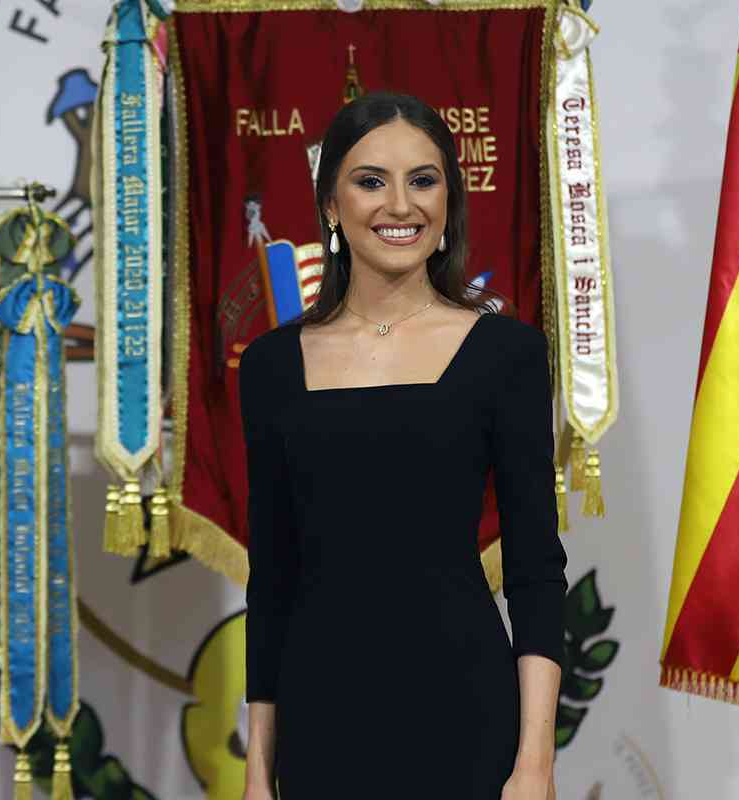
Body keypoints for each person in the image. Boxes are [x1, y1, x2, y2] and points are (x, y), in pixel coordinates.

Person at [239, 91, 568, 800]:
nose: (400, 205)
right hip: (321, 725)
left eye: (423, 180)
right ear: (331, 206)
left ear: (449, 202)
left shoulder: (506, 354)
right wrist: (258, 774)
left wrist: (535, 764)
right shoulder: (271, 366)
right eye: (370, 181)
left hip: (467, 721)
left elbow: (536, 572)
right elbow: (272, 581)